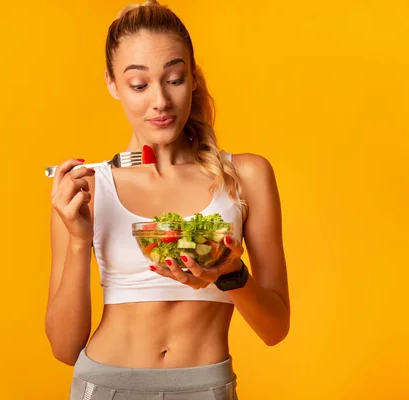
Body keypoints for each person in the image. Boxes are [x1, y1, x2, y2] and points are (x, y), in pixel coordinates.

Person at [46, 1, 290, 398]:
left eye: (174, 79)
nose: (159, 101)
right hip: (107, 385)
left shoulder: (247, 176)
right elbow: (63, 348)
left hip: (204, 386)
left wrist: (228, 273)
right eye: (139, 85)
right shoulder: (86, 188)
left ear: (193, 77)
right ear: (112, 84)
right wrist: (78, 240)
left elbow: (275, 328)